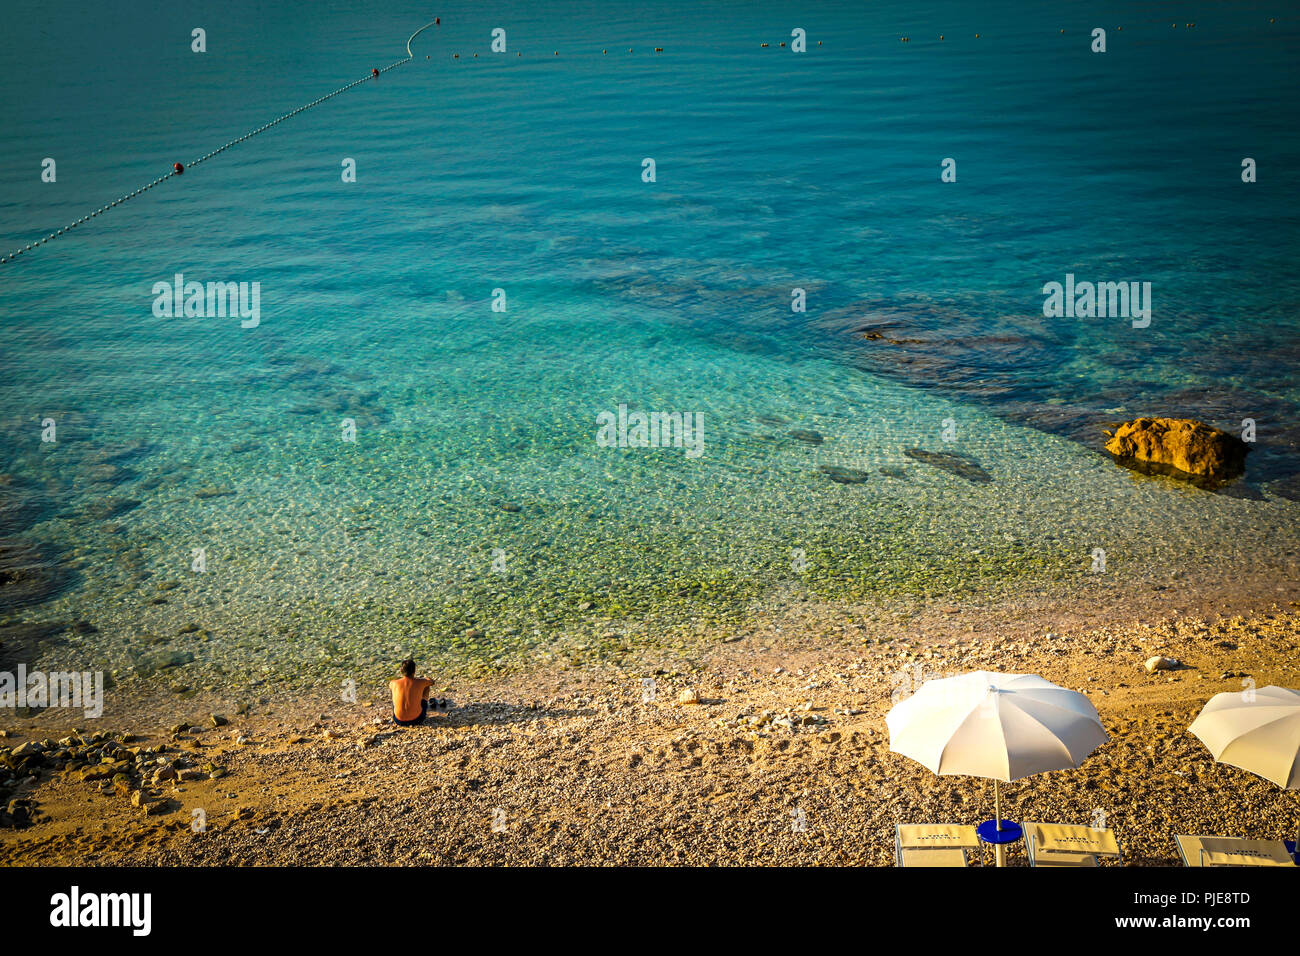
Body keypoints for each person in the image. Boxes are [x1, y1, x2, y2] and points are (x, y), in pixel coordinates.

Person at [388, 659, 442, 726]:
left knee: (395, 692)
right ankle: (419, 705)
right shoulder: (420, 682)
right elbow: (432, 682)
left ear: (401, 671)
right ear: (414, 671)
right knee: (426, 686)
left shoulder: (393, 683)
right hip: (417, 720)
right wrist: (424, 679)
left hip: (398, 720)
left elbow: (390, 687)